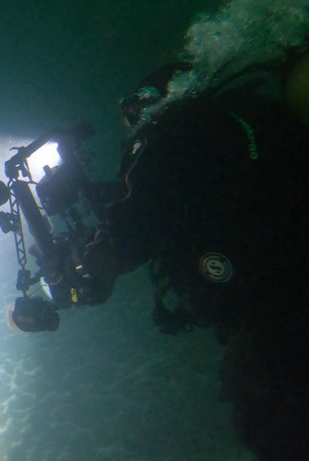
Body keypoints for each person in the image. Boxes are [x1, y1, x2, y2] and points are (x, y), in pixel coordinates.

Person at [80, 47, 309, 460]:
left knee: (270, 426)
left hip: (279, 313)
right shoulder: (241, 120)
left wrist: (99, 258)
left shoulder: (169, 133)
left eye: (132, 113)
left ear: (152, 103)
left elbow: (134, 228)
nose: (132, 128)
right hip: (283, 286)